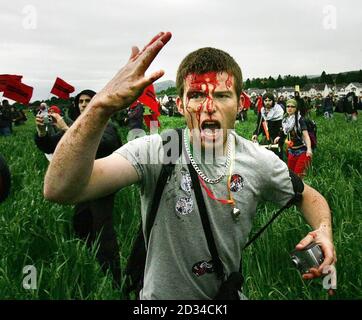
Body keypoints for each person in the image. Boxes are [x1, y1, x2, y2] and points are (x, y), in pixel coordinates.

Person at [44, 32, 336, 300]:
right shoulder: (159, 150)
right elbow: (60, 189)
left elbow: (309, 196)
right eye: (196, 95)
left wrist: (323, 230)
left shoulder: (257, 160)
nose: (209, 107)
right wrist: (100, 107)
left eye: (221, 95)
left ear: (240, 103)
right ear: (181, 105)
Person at [36, 90, 123, 285]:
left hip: (103, 182)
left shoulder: (105, 124)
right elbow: (51, 146)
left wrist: (67, 129)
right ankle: (90, 262)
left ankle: (115, 278)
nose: (83, 104)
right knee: (81, 221)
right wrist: (42, 131)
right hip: (83, 184)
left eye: (88, 101)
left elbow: (106, 146)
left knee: (102, 227)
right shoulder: (77, 126)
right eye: (81, 101)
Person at [274, 99, 313, 179]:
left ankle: (301, 191)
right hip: (291, 151)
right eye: (288, 106)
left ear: (296, 108)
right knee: (291, 175)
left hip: (302, 150)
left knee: (298, 175)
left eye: (292, 106)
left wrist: (309, 149)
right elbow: (284, 131)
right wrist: (279, 137)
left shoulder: (300, 119)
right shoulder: (285, 120)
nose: (290, 108)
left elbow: (305, 135)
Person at [252, 92, 284, 159]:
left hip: (276, 138)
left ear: (273, 101)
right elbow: (260, 125)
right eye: (265, 101)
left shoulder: (278, 111)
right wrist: (256, 134)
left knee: (276, 158)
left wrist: (279, 136)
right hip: (266, 138)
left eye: (269, 100)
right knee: (264, 158)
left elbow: (282, 127)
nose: (267, 102)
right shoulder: (262, 111)